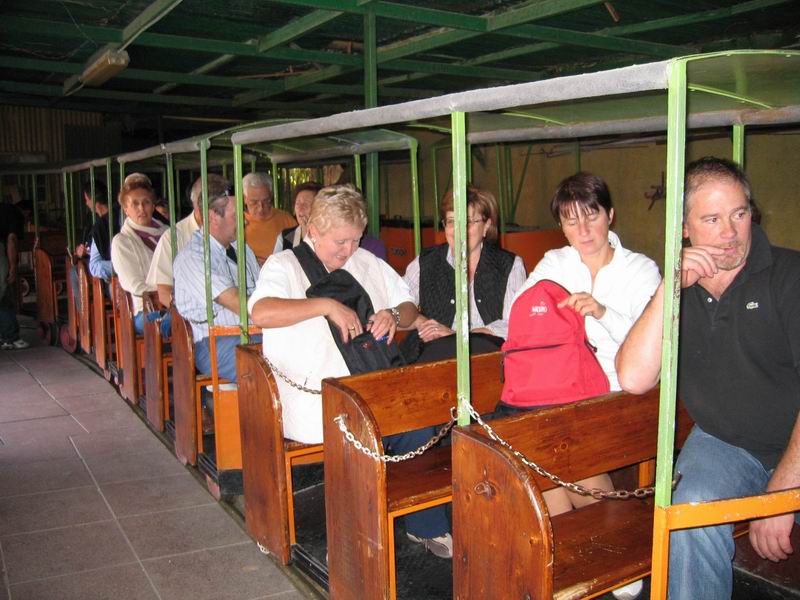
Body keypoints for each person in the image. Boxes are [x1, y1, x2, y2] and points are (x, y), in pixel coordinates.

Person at [616, 157, 800, 600]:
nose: (730, 233)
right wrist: (670, 288)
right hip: (725, 443)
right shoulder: (678, 292)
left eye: (739, 214)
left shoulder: (789, 276)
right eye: (712, 219)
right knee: (688, 514)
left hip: (793, 446)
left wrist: (782, 495)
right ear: (684, 228)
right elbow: (633, 378)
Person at [249, 184, 453, 558]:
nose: (349, 250)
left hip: (369, 385)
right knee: (360, 432)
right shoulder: (285, 266)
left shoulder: (364, 262)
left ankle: (424, 525)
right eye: (340, 242)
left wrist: (392, 315)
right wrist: (326, 305)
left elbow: (409, 306)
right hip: (314, 395)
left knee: (419, 424)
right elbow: (261, 312)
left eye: (356, 240)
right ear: (313, 231)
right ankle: (350, 544)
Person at [402, 186, 526, 362]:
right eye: (451, 221)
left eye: (468, 222)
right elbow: (399, 302)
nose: (459, 230)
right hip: (433, 358)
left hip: (486, 358)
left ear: (486, 226)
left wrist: (459, 337)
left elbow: (515, 323)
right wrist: (421, 322)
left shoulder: (510, 265)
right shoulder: (426, 262)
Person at [173, 175, 261, 383]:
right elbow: (239, 304)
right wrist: (281, 316)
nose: (245, 219)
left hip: (251, 333)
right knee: (280, 361)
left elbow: (261, 290)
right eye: (236, 214)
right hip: (215, 342)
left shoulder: (242, 247)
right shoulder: (193, 258)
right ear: (213, 216)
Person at [110, 173, 169, 337]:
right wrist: (170, 295)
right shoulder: (122, 242)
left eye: (146, 202)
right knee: (179, 321)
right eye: (135, 204)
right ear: (126, 209)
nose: (141, 209)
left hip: (177, 303)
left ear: (153, 206)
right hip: (145, 310)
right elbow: (136, 286)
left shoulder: (168, 233)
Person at [274, 181, 388, 260]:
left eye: (306, 204)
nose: (348, 250)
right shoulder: (286, 240)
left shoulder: (372, 250)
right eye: (298, 203)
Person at [146, 179, 203, 310]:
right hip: (186, 312)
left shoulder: (233, 233)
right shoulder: (173, 237)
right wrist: (189, 313)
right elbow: (164, 291)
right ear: (196, 204)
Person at [242, 172, 296, 265]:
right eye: (254, 202)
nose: (260, 208)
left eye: (266, 201)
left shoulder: (285, 220)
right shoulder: (236, 222)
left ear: (271, 196)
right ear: (244, 199)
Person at [0, 199, 29, 350]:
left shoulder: (5, 210)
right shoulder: (15, 215)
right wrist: (12, 266)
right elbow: (12, 239)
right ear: (26, 212)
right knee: (3, 295)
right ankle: (10, 337)